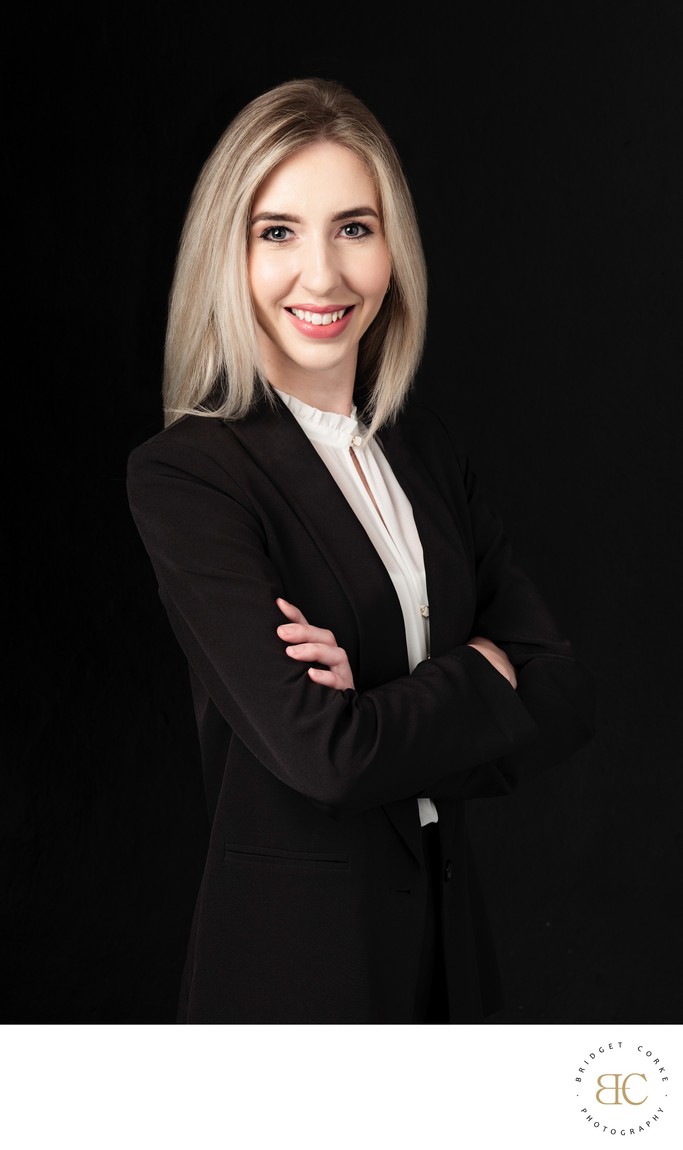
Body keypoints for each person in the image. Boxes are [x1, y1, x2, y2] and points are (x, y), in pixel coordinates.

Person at [126, 76, 595, 1024]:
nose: (322, 277)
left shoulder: (423, 455)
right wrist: (476, 676)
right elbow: (323, 757)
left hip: (449, 958)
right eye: (277, 232)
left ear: (393, 249)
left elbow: (564, 696)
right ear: (229, 252)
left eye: (352, 227)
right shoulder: (190, 475)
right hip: (297, 976)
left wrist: (380, 704)